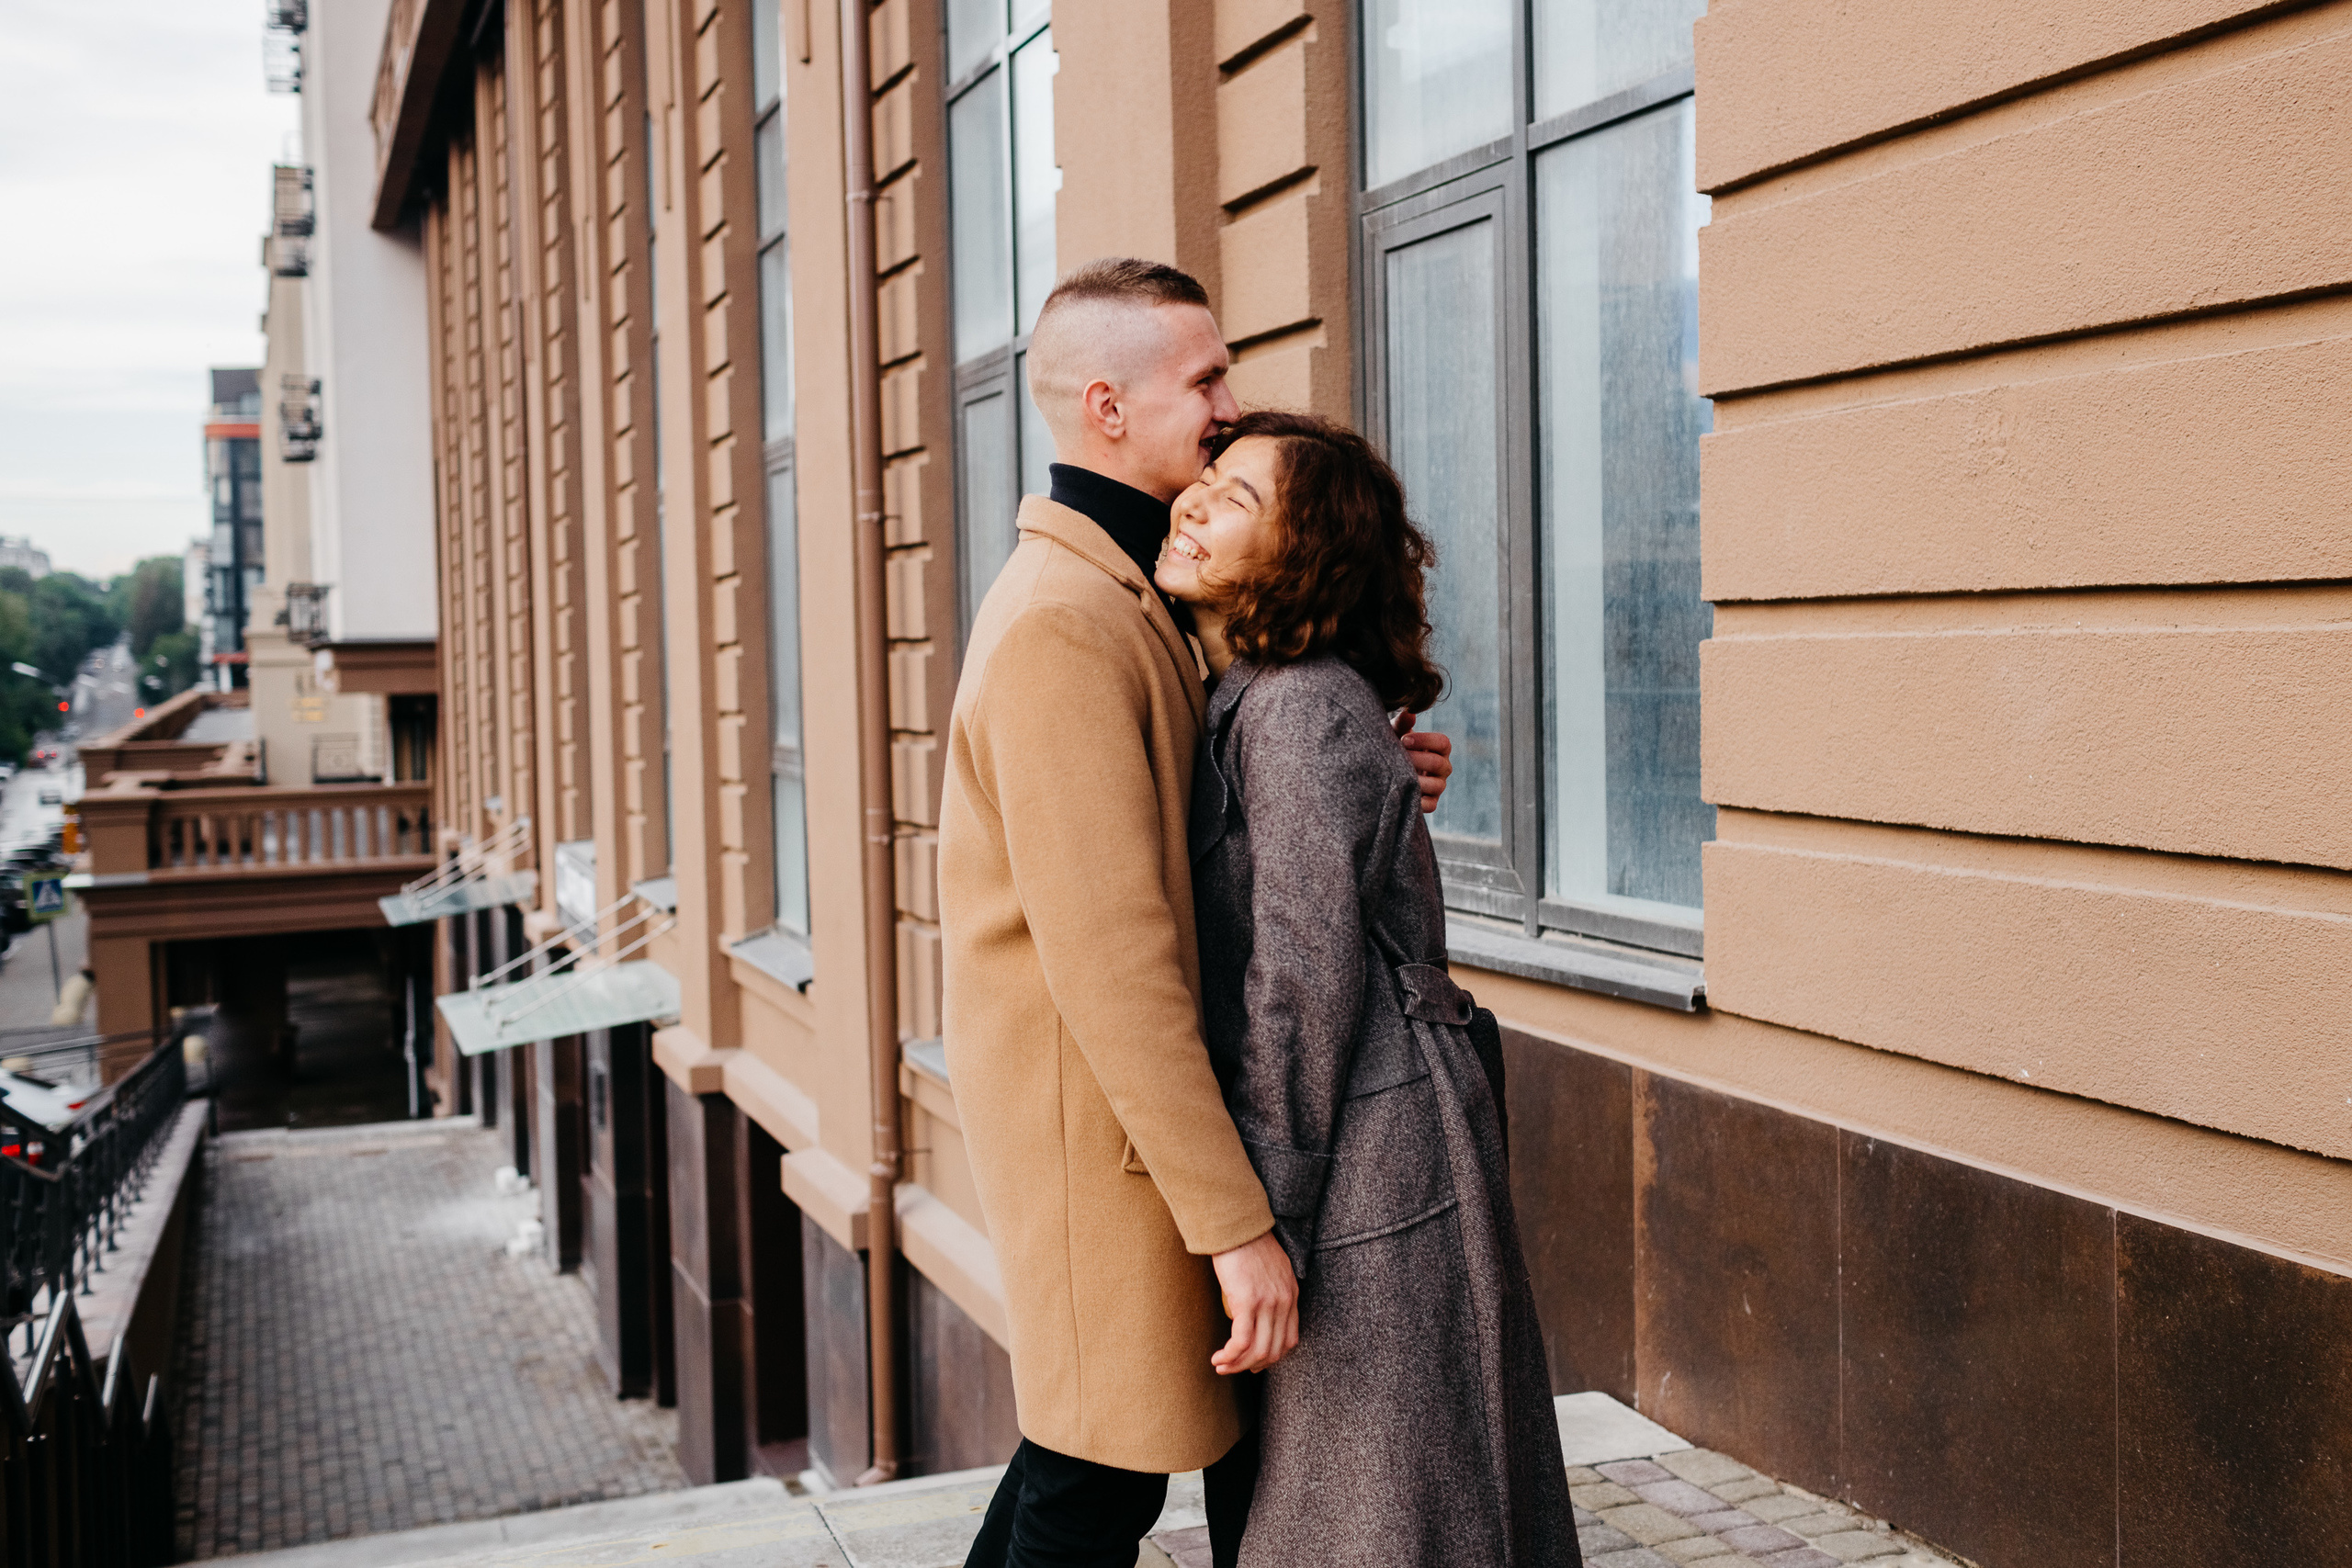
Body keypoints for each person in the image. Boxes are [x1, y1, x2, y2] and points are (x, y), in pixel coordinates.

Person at [940, 259, 1452, 1568]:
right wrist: (1237, 1226)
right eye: (1207, 378)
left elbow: (1214, 803)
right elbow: (1115, 959)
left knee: (1091, 1467)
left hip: (1138, 1128)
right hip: (1106, 1130)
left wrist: (1365, 772)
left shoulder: (1136, 587)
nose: (1231, 403)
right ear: (1106, 406)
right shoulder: (1063, 621)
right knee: (1096, 1471)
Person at [1159, 411, 1577, 1567]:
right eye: (1205, 482)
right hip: (1372, 1127)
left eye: (1236, 499)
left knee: (1384, 1506)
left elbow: (1301, 974)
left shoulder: (1292, 705)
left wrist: (1264, 1216)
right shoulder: (1276, 696)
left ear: (1306, 556)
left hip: (1363, 1148)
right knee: (1386, 1495)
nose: (1193, 502)